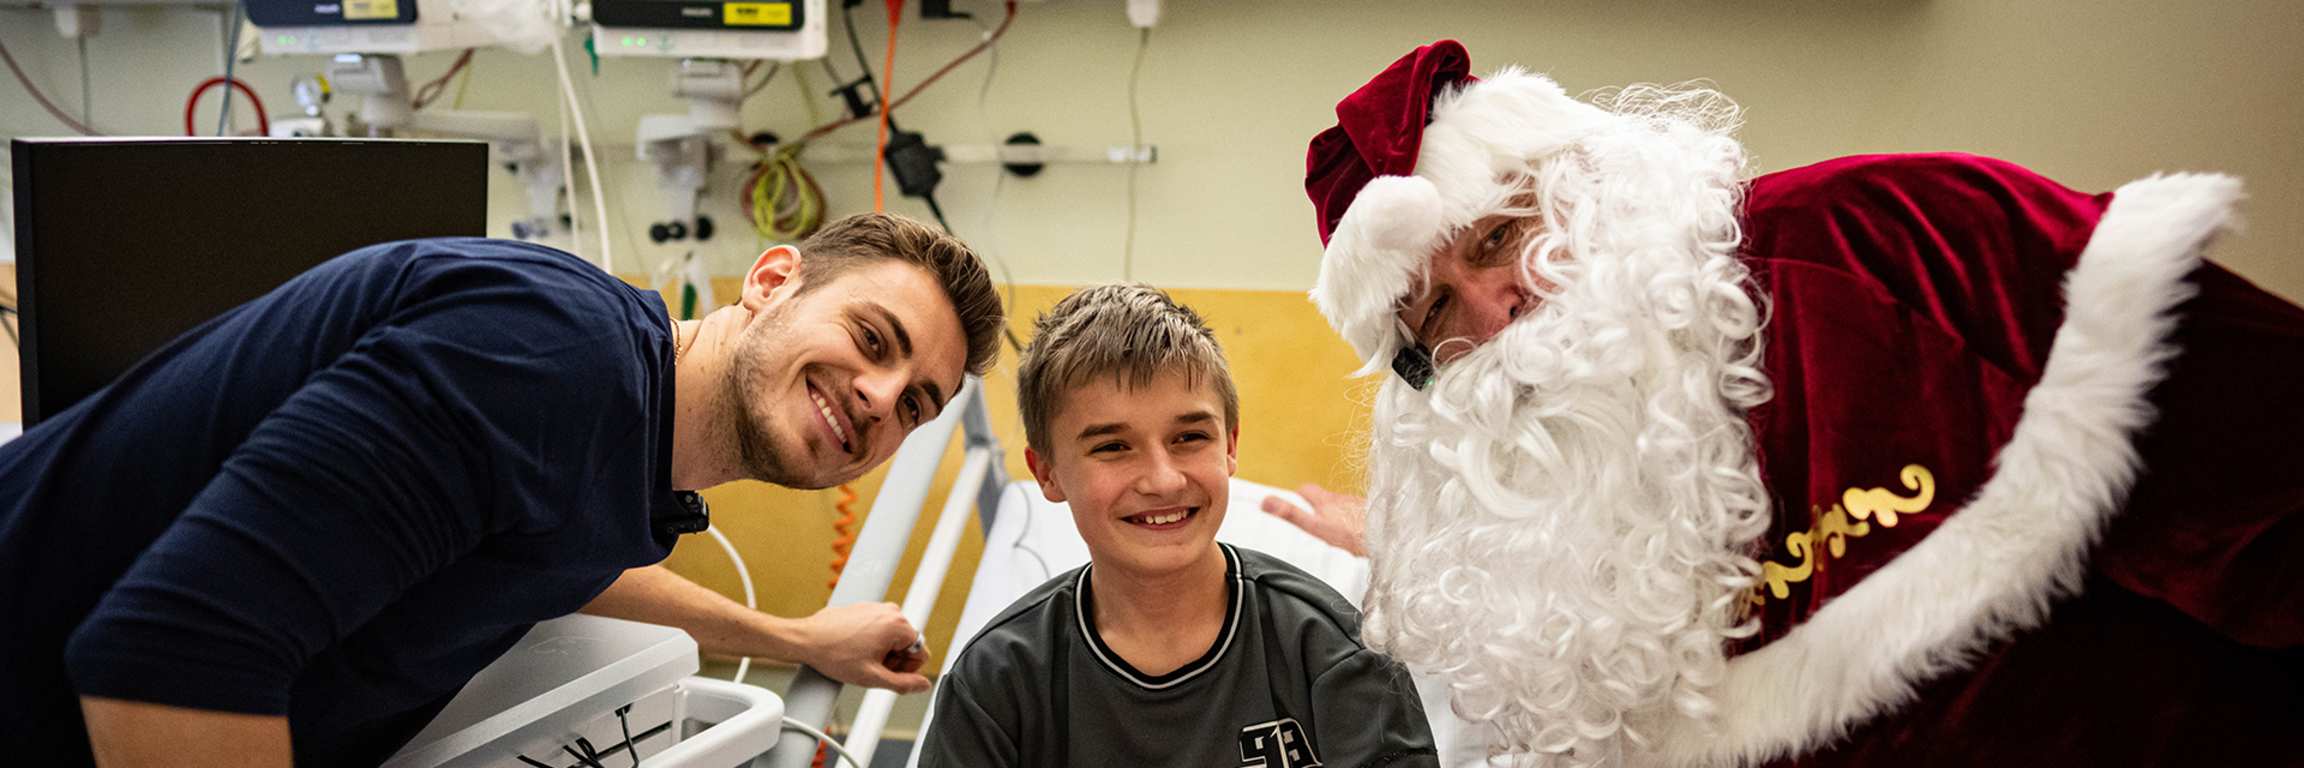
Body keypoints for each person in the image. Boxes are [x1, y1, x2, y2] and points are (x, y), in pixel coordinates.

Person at [1293, 40, 2304, 766]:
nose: (1496, 309)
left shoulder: (1875, 243)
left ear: (1590, 183)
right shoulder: (1526, 551)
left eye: (1496, 238)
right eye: (1434, 315)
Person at [0, 212, 1008, 766]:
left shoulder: (619, 436)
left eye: (917, 405)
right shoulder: (541, 364)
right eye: (873, 341)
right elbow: (176, 651)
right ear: (773, 278)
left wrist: (793, 639)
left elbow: (554, 559)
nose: (881, 400)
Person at [918, 284, 1439, 768]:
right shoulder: (997, 685)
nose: (1163, 480)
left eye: (1189, 437)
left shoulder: (1332, 652)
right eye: (1112, 447)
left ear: (1230, 445)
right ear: (1048, 473)